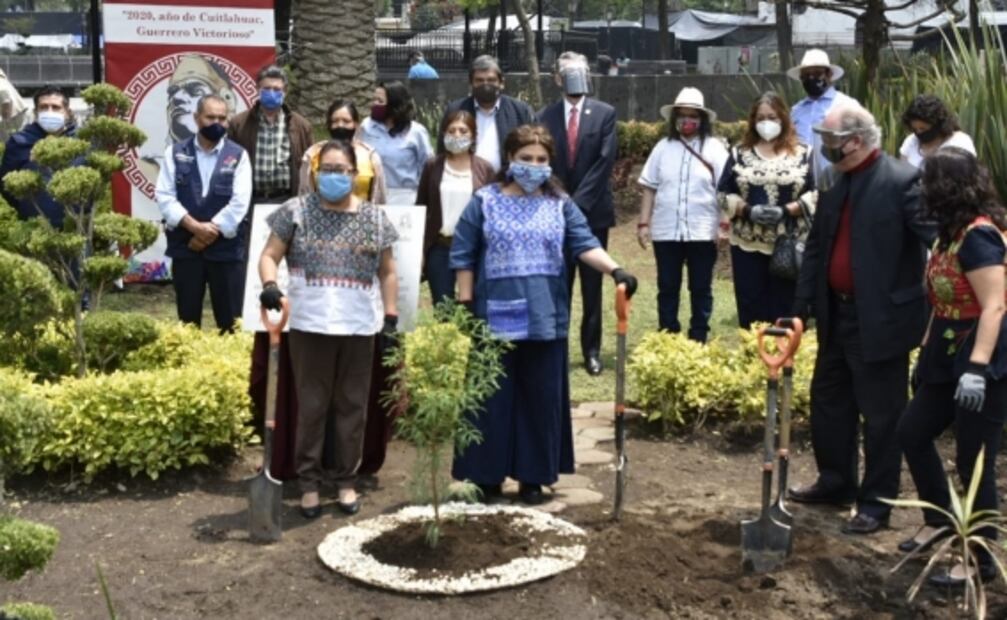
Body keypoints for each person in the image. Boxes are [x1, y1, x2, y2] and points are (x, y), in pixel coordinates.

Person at [450, 124, 638, 505]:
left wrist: (616, 269)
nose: (533, 166)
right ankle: (486, 477)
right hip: (493, 318)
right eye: (525, 159)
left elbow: (584, 243)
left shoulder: (560, 204)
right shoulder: (483, 201)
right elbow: (464, 254)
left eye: (541, 160)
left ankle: (533, 477)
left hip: (544, 317)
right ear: (510, 159)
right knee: (492, 400)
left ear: (549, 164)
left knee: (539, 399)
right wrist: (466, 305)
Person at [788, 103, 936, 534]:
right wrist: (800, 306)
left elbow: (938, 241)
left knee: (882, 416)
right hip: (837, 314)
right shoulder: (834, 181)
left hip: (883, 320)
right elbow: (817, 247)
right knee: (829, 404)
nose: (824, 147)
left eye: (830, 140)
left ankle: (877, 502)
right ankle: (836, 482)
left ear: (853, 141)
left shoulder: (903, 181)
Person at [258, 140, 399, 519]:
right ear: (315, 173)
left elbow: (387, 271)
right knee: (313, 406)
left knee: (352, 406)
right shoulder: (295, 211)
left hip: (358, 326)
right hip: (309, 324)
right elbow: (270, 255)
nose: (334, 176)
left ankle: (346, 481)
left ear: (355, 174)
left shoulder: (374, 218)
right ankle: (308, 484)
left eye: (342, 170)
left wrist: (390, 316)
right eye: (328, 169)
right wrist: (270, 285)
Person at [896, 147, 1007, 587]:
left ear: (946, 187)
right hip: (945, 352)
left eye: (928, 182)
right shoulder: (948, 235)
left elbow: (995, 306)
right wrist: (925, 355)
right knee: (912, 431)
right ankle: (940, 518)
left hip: (982, 358)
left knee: (973, 459)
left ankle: (980, 557)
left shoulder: (980, 236)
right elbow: (941, 302)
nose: (922, 190)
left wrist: (977, 368)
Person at [539, 51, 619, 375]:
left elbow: (604, 162)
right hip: (552, 213)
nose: (574, 78)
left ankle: (591, 351)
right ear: (558, 78)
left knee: (591, 285)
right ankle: (556, 349)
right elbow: (541, 161)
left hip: (592, 215)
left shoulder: (604, 114)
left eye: (579, 71)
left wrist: (576, 206)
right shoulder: (543, 115)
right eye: (568, 72)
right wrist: (559, 201)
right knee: (559, 285)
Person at [636, 87, 729, 343]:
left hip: (702, 230)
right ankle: (668, 335)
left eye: (693, 116)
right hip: (667, 231)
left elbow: (725, 191)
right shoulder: (662, 148)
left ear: (702, 119)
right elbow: (649, 188)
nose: (687, 121)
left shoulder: (715, 149)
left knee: (700, 287)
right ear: (674, 118)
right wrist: (644, 223)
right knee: (667, 286)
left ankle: (699, 335)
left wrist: (724, 224)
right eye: (682, 115)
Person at [718, 92, 817, 329]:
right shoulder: (738, 153)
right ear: (752, 120)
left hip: (790, 245)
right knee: (752, 307)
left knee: (788, 308)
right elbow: (722, 193)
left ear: (783, 118)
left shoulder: (804, 153)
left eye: (772, 117)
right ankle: (754, 358)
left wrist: (787, 210)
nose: (766, 123)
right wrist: (747, 210)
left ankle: (786, 361)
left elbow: (816, 194)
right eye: (760, 117)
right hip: (747, 245)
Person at [154, 94, 252, 332]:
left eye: (222, 117)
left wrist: (207, 233)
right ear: (197, 118)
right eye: (210, 117)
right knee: (187, 321)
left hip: (226, 252)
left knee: (231, 321)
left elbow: (240, 202)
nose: (217, 123)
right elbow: (165, 195)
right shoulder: (175, 153)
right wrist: (194, 228)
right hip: (186, 249)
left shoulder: (238, 155)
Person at [416, 109, 494, 304]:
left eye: (463, 131)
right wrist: (420, 251)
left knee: (472, 307)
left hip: (473, 248)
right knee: (443, 307)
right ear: (443, 134)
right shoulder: (432, 166)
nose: (457, 135)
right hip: (440, 247)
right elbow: (421, 207)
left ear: (474, 136)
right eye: (451, 131)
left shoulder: (485, 169)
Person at [229, 65, 314, 204]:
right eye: (267, 89)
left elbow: (310, 166)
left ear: (285, 91)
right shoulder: (238, 124)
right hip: (250, 200)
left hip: (287, 200)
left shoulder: (301, 126)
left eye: (277, 89)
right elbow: (229, 164)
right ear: (258, 89)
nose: (271, 93)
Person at [440, 55, 536, 172]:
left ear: (501, 83)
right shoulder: (456, 110)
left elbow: (533, 148)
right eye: (479, 80)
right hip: (465, 182)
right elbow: (443, 151)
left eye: (491, 80)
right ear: (471, 83)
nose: (485, 85)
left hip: (506, 184)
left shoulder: (520, 111)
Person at [0, 86, 76, 228]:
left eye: (56, 107)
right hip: (34, 227)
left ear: (67, 112)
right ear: (36, 112)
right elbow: (6, 187)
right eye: (43, 107)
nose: (49, 111)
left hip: (78, 226)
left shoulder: (81, 143)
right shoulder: (19, 142)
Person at [789, 49, 858, 186]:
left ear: (829, 75)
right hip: (801, 185)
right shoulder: (796, 111)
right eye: (806, 75)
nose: (811, 79)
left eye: (817, 73)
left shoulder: (847, 106)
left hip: (837, 183)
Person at [300, 99, 388, 204]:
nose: (340, 125)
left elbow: (379, 196)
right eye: (335, 121)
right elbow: (304, 194)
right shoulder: (313, 154)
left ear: (356, 124)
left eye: (346, 121)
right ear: (329, 124)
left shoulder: (371, 156)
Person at [360, 81, 433, 205]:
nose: (375, 104)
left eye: (380, 101)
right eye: (374, 99)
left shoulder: (416, 132)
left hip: (404, 198)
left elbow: (427, 167)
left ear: (395, 105)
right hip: (371, 195)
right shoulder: (367, 126)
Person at [898, 94, 976, 169]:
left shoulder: (959, 142)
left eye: (923, 129)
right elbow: (903, 172)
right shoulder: (911, 141)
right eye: (915, 129)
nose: (919, 133)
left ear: (937, 124)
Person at [0, 68, 27, 141]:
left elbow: (6, 101)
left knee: (10, 141)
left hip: (12, 116)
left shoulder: (1, 84)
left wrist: (5, 120)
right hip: (14, 113)